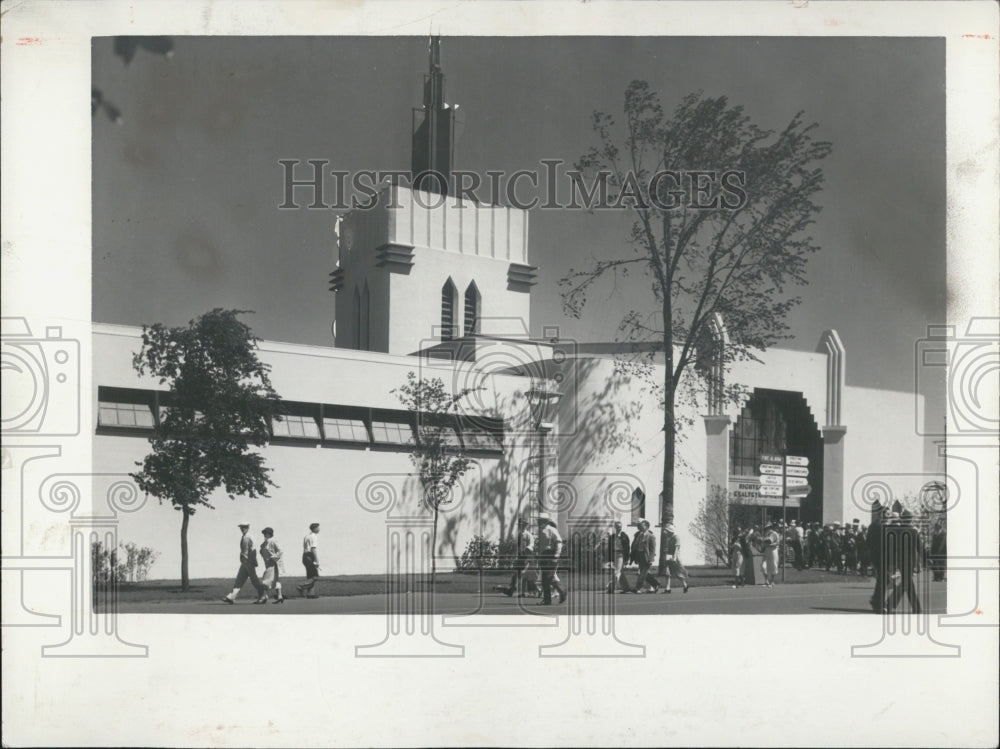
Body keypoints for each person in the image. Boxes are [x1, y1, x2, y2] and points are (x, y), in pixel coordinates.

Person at [886, 509, 923, 614]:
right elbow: (920, 547)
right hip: (910, 561)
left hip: (900, 561)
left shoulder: (897, 531)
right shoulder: (913, 531)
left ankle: (890, 604)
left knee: (906, 584)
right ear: (910, 519)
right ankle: (915, 608)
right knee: (907, 584)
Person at [222, 522, 264, 604]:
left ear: (248, 527)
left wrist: (251, 561)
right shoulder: (244, 536)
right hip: (244, 562)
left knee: (254, 580)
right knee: (239, 580)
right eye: (241, 527)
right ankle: (231, 597)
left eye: (244, 527)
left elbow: (254, 550)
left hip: (249, 562)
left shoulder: (249, 537)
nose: (242, 529)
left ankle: (263, 595)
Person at [536, 513, 567, 605]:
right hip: (544, 556)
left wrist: (556, 555)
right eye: (538, 520)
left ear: (545, 521)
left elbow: (559, 542)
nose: (538, 522)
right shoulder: (542, 530)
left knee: (546, 579)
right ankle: (561, 591)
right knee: (549, 578)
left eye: (540, 520)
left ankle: (547, 600)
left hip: (550, 555)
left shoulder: (551, 530)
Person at [503, 518, 537, 597]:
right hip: (520, 556)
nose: (521, 527)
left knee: (523, 574)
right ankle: (512, 589)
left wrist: (526, 551)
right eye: (520, 525)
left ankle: (528, 591)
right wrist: (515, 556)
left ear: (525, 526)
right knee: (516, 573)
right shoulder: (519, 534)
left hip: (526, 556)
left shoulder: (528, 535)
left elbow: (531, 545)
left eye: (522, 525)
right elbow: (517, 546)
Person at [603, 519, 633, 594]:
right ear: (615, 527)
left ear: (621, 527)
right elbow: (609, 548)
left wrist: (627, 558)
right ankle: (626, 587)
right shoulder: (612, 537)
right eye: (617, 526)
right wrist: (609, 559)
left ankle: (611, 586)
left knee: (617, 571)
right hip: (614, 554)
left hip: (621, 555)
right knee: (620, 572)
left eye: (620, 526)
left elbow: (627, 548)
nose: (619, 528)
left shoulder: (624, 536)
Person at [630, 519, 660, 593]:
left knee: (643, 574)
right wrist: (635, 557)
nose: (639, 526)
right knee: (644, 573)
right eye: (639, 525)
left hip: (646, 557)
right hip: (640, 556)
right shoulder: (640, 535)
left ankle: (637, 588)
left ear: (646, 526)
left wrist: (650, 559)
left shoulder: (651, 536)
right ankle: (656, 584)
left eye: (641, 525)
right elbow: (636, 547)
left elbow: (652, 549)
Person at [659, 522, 689, 593]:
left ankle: (685, 584)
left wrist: (675, 557)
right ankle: (668, 588)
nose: (665, 532)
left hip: (675, 557)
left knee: (677, 573)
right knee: (667, 572)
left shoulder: (676, 537)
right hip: (669, 556)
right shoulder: (669, 538)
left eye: (667, 531)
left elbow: (677, 547)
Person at [259, 527, 285, 604]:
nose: (265, 534)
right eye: (264, 533)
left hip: (273, 563)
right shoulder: (264, 543)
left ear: (270, 534)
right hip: (268, 563)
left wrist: (273, 558)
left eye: (266, 533)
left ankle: (264, 597)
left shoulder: (273, 541)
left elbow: (280, 551)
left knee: (265, 579)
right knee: (276, 580)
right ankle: (280, 596)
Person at [298, 522, 321, 599]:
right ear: (314, 529)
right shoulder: (314, 537)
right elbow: (313, 549)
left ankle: (311, 594)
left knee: (310, 576)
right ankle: (301, 586)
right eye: (318, 527)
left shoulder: (307, 536)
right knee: (315, 576)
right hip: (310, 556)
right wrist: (317, 560)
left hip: (305, 556)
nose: (319, 529)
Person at [761, 522, 780, 587]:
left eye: (767, 528)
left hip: (773, 550)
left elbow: (773, 542)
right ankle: (766, 581)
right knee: (764, 566)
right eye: (766, 528)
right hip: (767, 550)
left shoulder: (774, 534)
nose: (766, 529)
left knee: (773, 566)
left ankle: (771, 582)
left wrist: (767, 544)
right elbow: (764, 543)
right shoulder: (767, 534)